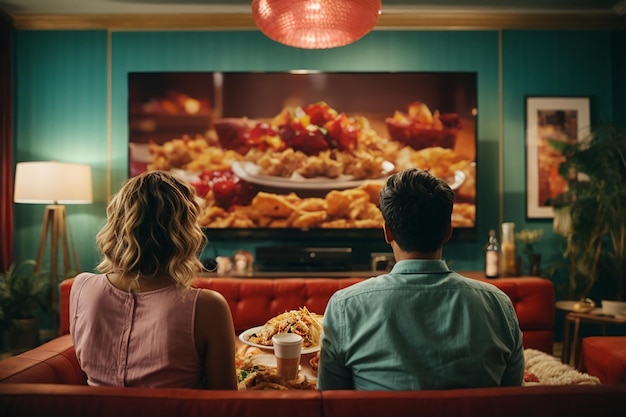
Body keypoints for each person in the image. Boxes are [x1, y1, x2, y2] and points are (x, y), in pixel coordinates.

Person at [317, 168, 524, 390]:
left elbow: (330, 401)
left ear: (387, 233)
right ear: (448, 232)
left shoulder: (345, 307)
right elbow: (512, 397)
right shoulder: (498, 304)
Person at [70, 170, 237, 390]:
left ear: (117, 223)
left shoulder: (82, 287)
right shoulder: (208, 306)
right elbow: (225, 402)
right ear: (185, 232)